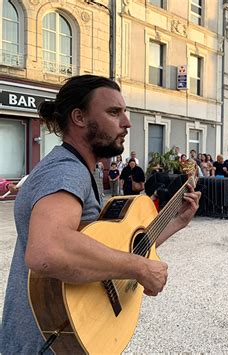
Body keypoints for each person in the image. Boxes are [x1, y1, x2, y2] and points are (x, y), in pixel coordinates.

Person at [0, 75, 200, 353]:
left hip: (64, 335)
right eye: (114, 112)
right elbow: (48, 251)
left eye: (124, 112)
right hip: (44, 343)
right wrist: (139, 268)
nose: (127, 122)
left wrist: (176, 221)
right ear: (79, 117)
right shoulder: (66, 170)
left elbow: (114, 249)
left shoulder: (81, 168)